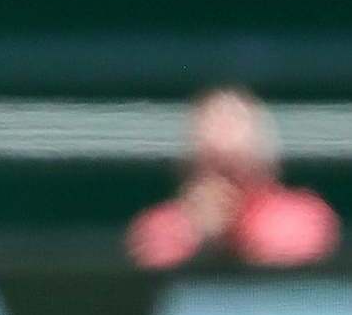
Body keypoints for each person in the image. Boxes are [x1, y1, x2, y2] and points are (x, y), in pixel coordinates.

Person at [126, 87, 339, 271]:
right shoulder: (165, 225)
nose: (225, 179)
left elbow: (301, 249)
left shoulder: (302, 214)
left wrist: (233, 229)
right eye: (213, 161)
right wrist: (198, 234)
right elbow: (150, 271)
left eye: (235, 165)